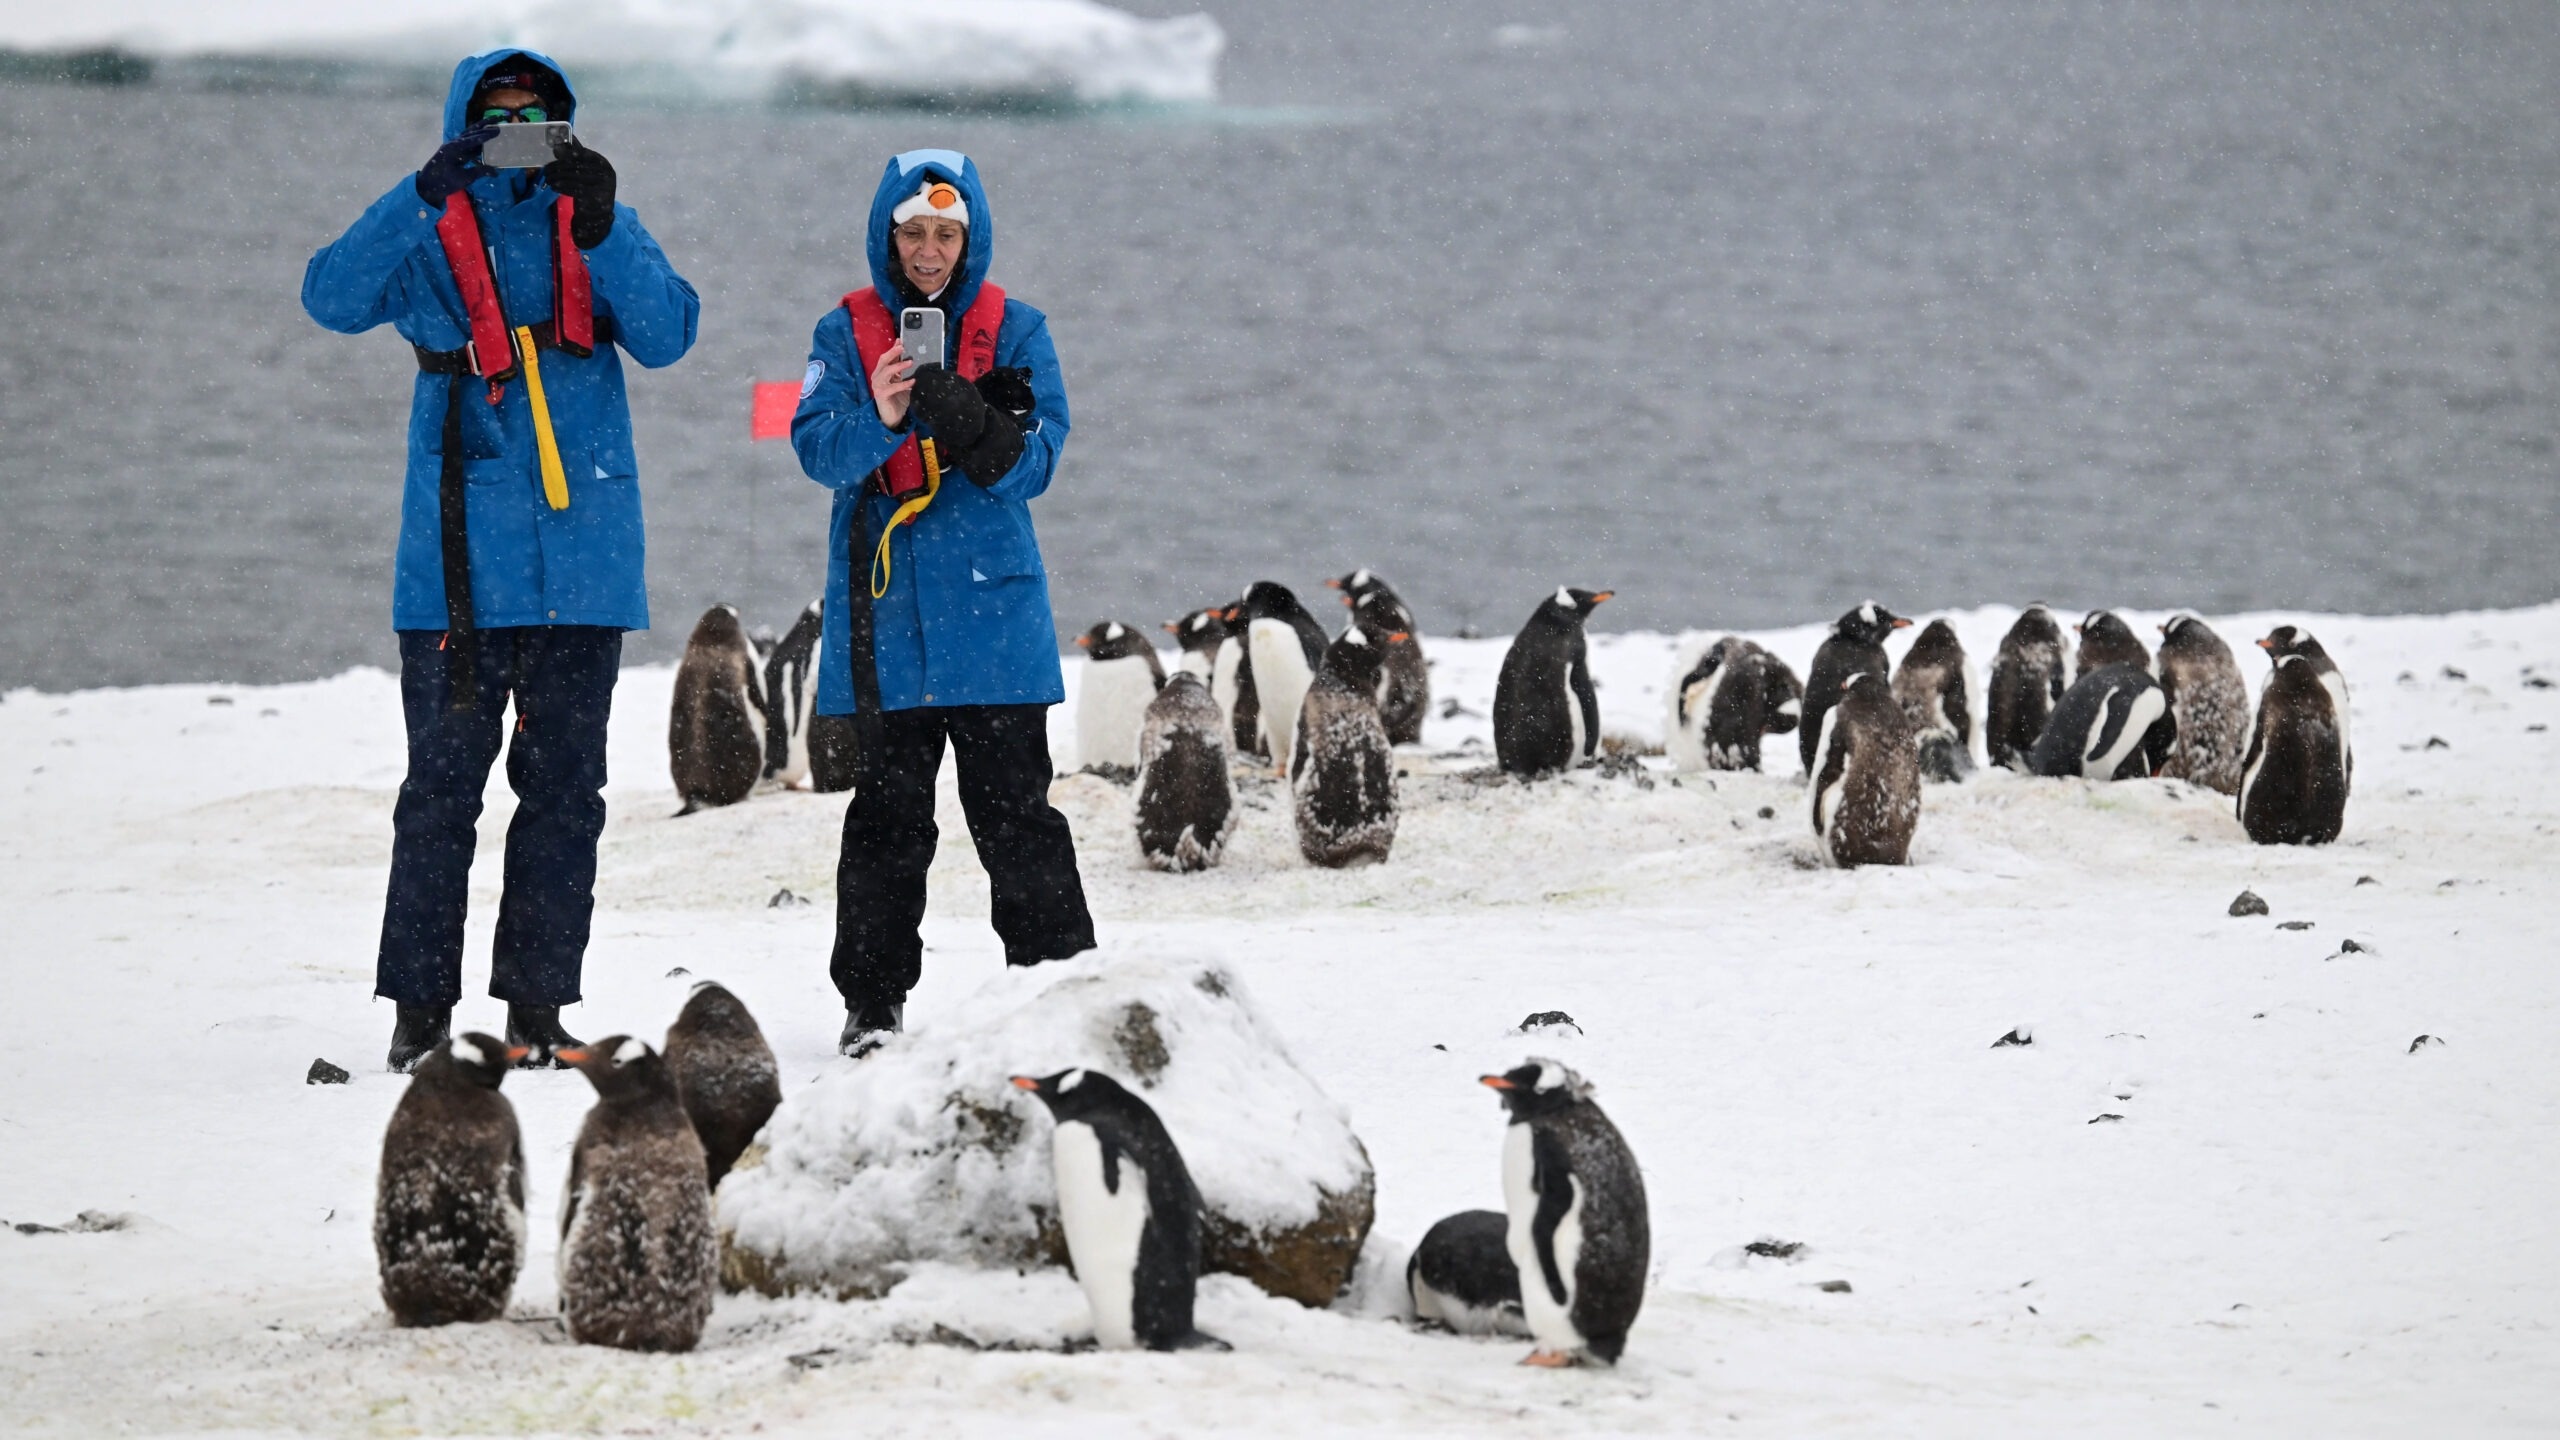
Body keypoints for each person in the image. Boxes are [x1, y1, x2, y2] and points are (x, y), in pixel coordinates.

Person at [302, 50, 700, 1072]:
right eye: (496, 112)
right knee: (439, 794)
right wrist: (425, 186)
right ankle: (419, 1017)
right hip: (455, 570)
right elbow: (331, 298)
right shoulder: (429, 221)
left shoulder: (594, 214)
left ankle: (536, 1011)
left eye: (535, 112)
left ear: (564, 123)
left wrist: (603, 221)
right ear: (462, 120)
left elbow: (667, 334)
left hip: (587, 564)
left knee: (567, 795)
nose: (515, 125)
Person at [792, 150, 1096, 1056]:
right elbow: (816, 449)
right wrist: (879, 418)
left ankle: (1058, 990)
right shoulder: (841, 334)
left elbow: (1039, 465)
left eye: (947, 233)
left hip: (993, 619)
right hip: (883, 622)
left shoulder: (1020, 330)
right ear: (889, 235)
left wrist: (975, 421)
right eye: (914, 231)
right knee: (886, 823)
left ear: (973, 238)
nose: (930, 251)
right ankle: (873, 1006)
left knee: (1018, 818)